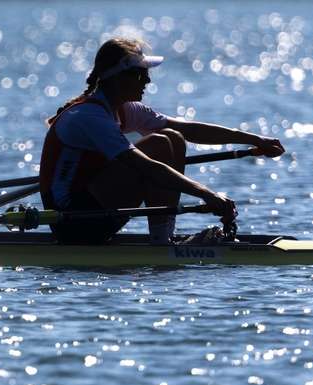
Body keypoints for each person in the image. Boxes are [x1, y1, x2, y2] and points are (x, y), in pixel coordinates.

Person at [39, 38, 285, 244]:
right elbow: (146, 167)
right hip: (72, 221)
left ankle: (162, 238)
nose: (148, 81)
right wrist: (207, 194)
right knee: (157, 146)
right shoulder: (88, 116)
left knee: (173, 138)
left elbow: (191, 130)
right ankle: (163, 245)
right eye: (141, 74)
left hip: (98, 211)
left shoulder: (123, 109)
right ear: (119, 77)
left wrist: (255, 140)